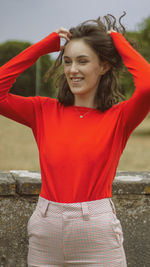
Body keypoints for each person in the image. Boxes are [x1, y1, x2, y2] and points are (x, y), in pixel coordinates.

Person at [0, 13, 150, 266]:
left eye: (82, 61)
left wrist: (117, 40)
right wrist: (44, 47)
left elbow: (146, 86)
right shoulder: (43, 111)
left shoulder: (119, 117)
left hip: (97, 234)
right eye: (67, 61)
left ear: (103, 66)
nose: (72, 70)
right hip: (45, 231)